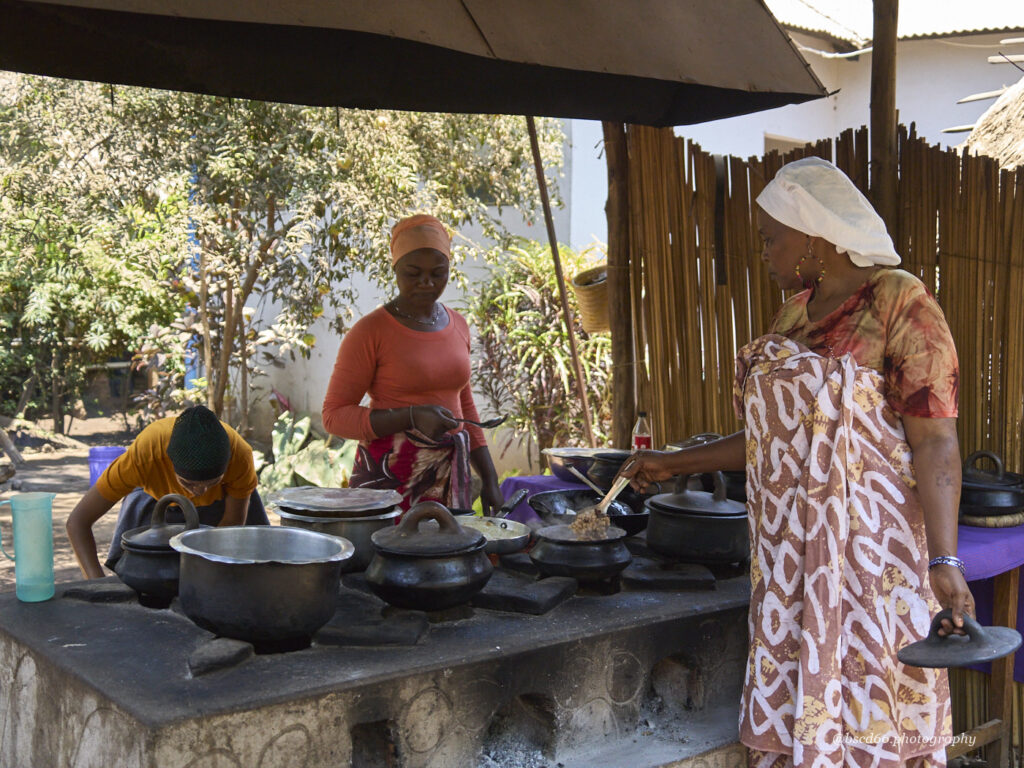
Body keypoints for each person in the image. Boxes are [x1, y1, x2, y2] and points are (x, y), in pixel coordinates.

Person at [621, 157, 973, 768]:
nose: (765, 253)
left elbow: (935, 440)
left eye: (770, 238)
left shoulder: (899, 302)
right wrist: (672, 464)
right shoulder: (791, 318)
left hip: (871, 559)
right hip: (789, 568)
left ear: (812, 235)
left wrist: (942, 557)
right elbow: (768, 441)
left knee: (875, 706)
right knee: (799, 715)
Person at [321, 213, 503, 514]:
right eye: (413, 273)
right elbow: (334, 416)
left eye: (438, 272)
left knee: (450, 556)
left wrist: (491, 478)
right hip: (389, 480)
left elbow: (465, 406)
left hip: (449, 479)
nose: (426, 283)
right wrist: (411, 416)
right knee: (392, 557)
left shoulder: (457, 324)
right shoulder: (370, 332)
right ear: (395, 269)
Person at [67, 404, 269, 578]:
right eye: (188, 484)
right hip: (155, 502)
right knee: (138, 572)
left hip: (221, 506)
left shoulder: (241, 456)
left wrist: (209, 575)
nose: (200, 491)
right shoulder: (145, 455)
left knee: (248, 568)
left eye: (212, 482)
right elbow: (77, 522)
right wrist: (96, 581)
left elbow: (231, 527)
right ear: (169, 465)